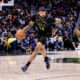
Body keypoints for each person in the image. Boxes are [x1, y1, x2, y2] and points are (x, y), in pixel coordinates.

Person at [21, 7, 56, 72]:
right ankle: (46, 59)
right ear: (38, 13)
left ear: (45, 13)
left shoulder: (49, 19)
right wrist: (23, 30)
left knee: (37, 48)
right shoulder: (35, 17)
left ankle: (26, 65)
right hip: (40, 34)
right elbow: (30, 25)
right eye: (41, 13)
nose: (42, 14)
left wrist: (55, 29)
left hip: (47, 34)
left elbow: (59, 21)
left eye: (43, 13)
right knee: (42, 48)